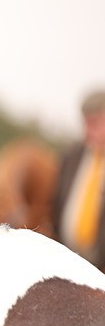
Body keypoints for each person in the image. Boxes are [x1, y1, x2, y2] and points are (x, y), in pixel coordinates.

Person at [53, 89, 105, 271]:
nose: (89, 132)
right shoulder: (72, 157)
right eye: (86, 123)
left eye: (96, 123)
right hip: (71, 265)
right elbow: (56, 205)